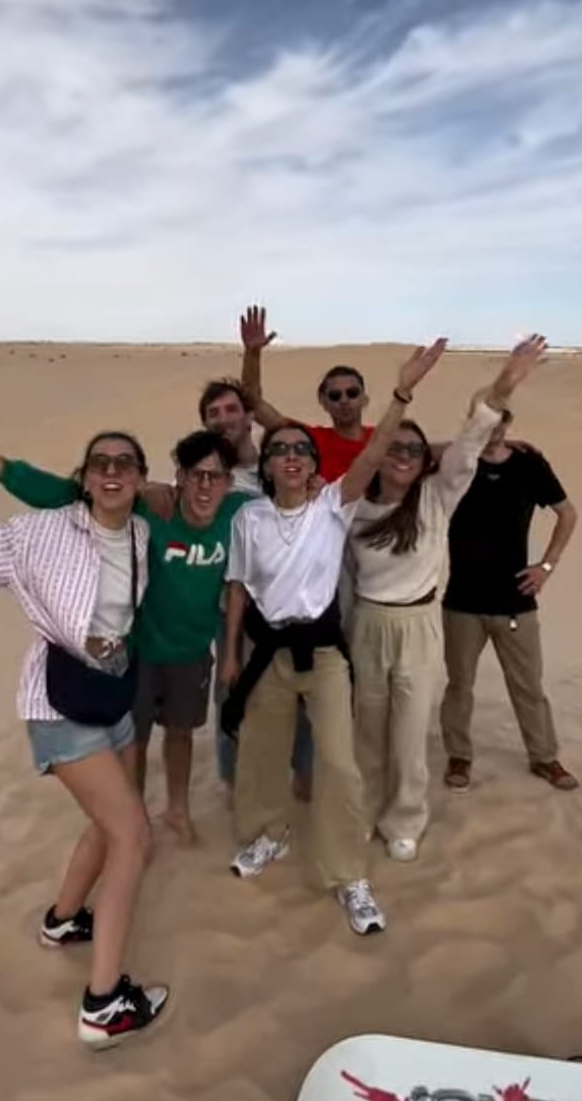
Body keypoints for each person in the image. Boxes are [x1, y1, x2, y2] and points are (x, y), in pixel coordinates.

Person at [0, 430, 169, 1049]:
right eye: (100, 463)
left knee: (111, 819)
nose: (111, 472)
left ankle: (62, 921)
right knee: (133, 835)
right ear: (84, 478)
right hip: (59, 706)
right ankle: (103, 1005)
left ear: (139, 477)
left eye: (124, 463)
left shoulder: (140, 533)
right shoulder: (41, 533)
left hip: (111, 694)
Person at [0, 411, 248, 843]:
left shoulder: (238, 512)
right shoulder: (148, 511)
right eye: (196, 475)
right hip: (140, 652)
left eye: (216, 476)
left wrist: (314, 488)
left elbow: (286, 505)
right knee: (134, 742)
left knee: (181, 734)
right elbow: (63, 493)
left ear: (228, 482)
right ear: (181, 478)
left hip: (192, 654)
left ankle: (177, 810)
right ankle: (134, 820)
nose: (206, 485)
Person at [218, 336, 447, 935]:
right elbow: (237, 588)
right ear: (267, 465)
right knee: (261, 754)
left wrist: (402, 393)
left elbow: (373, 453)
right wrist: (230, 657)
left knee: (340, 766)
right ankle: (268, 834)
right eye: (280, 450)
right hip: (267, 652)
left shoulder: (333, 506)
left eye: (301, 449)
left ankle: (350, 875)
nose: (291, 456)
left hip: (322, 654)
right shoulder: (249, 517)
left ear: (314, 463)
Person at [344, 337, 548, 864]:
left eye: (414, 450)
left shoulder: (439, 496)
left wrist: (503, 385)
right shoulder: (354, 506)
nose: (404, 456)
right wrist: (402, 390)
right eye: (395, 448)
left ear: (425, 461)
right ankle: (363, 812)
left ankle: (404, 819)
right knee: (367, 730)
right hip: (368, 624)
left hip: (418, 626)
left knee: (410, 731)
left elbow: (472, 440)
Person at [439, 398, 579, 792]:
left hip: (516, 599)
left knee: (528, 685)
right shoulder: (456, 462)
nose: (493, 429)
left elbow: (568, 514)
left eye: (500, 422)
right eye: (484, 421)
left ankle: (545, 757)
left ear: (509, 421)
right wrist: (466, 441)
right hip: (463, 601)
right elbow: (408, 449)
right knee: (459, 685)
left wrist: (546, 567)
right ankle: (459, 756)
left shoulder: (529, 465)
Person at [197, 378, 314, 796]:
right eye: (213, 413)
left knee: (301, 693)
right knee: (232, 693)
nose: (222, 419)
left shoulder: (279, 462)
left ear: (249, 417)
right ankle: (234, 780)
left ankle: (305, 773)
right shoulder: (207, 476)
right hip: (232, 609)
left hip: (292, 606)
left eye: (231, 409)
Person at [239, 306, 374, 483]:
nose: (344, 400)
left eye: (352, 393)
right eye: (335, 395)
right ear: (323, 401)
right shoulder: (311, 439)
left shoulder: (385, 439)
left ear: (364, 399)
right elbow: (254, 404)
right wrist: (252, 354)